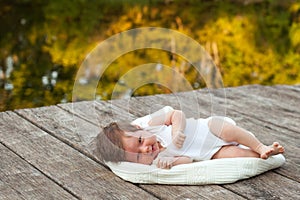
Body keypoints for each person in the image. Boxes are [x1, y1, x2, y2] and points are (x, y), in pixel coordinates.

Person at [92, 106, 284, 169]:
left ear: (138, 128)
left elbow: (176, 114)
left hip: (209, 129)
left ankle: (259, 146)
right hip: (213, 152)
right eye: (139, 155)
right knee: (236, 155)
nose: (145, 149)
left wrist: (177, 132)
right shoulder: (157, 160)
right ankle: (264, 154)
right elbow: (189, 159)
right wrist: (172, 162)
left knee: (223, 128)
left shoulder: (151, 124)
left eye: (140, 141)